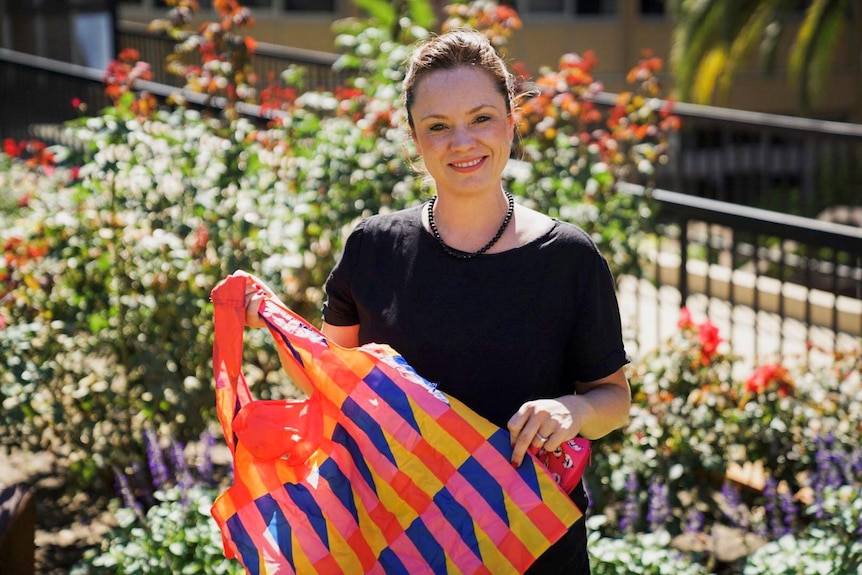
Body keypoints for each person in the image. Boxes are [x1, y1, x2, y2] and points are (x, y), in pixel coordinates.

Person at [242, 28, 631, 575]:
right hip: (398, 545)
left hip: (533, 549)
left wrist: (574, 409)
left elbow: (614, 399)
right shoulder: (373, 248)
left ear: (512, 121)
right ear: (415, 139)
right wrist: (269, 318)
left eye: (481, 118)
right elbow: (332, 383)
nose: (462, 142)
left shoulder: (568, 257)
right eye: (438, 127)